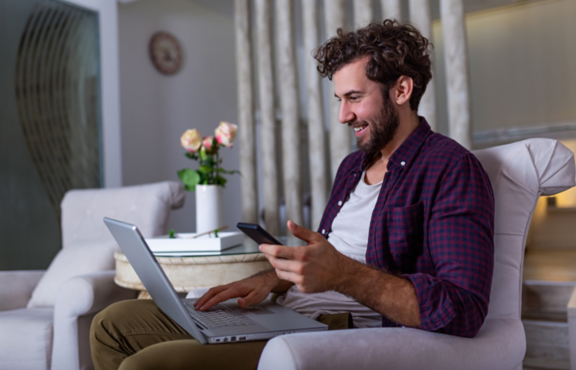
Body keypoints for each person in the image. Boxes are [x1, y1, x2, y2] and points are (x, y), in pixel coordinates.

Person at [90, 19, 494, 370]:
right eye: (339, 100)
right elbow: (324, 260)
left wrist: (343, 275)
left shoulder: (450, 168)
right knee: (111, 324)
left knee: (147, 364)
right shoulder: (353, 166)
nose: (342, 116)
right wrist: (271, 280)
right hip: (285, 312)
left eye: (354, 98)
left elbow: (463, 309)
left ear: (402, 90)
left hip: (334, 333)